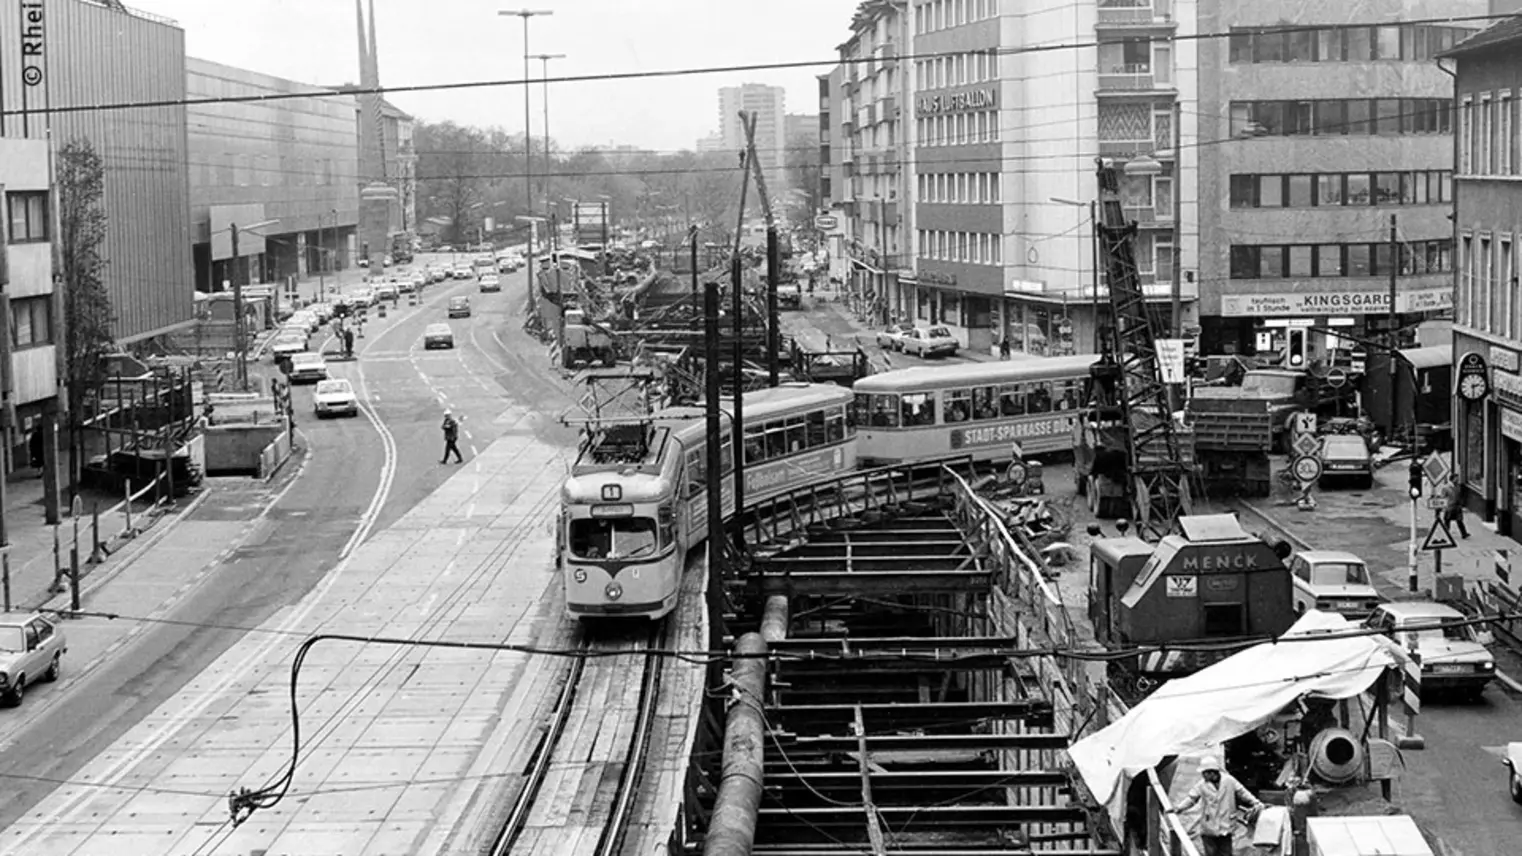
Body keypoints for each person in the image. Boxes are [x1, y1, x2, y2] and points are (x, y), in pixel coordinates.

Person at [1168, 756, 1263, 856]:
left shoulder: (1229, 781)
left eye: (1204, 773)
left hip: (1225, 826)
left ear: (1211, 772)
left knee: (1226, 853)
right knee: (1211, 853)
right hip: (1209, 828)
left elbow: (1242, 792)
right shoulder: (1202, 785)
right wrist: (1179, 808)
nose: (1202, 776)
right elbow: (1191, 798)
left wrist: (1255, 802)